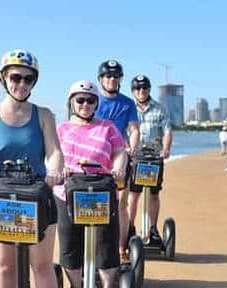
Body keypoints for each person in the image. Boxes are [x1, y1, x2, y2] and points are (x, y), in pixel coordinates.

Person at [0, 49, 64, 288]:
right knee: (4, 266)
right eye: (15, 77)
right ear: (3, 79)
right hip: (2, 195)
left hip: (37, 194)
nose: (21, 83)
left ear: (34, 81)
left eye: (28, 78)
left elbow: (54, 151)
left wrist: (54, 171)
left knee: (42, 266)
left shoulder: (43, 115)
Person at [55, 80, 127, 288]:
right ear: (71, 103)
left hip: (102, 191)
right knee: (70, 245)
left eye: (90, 101)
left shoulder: (107, 127)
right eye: (80, 100)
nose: (85, 104)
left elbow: (120, 151)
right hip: (67, 192)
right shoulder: (62, 129)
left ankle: (106, 284)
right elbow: (52, 155)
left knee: (106, 245)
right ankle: (76, 285)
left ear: (96, 103)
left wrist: (119, 168)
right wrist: (60, 170)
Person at [94, 59, 140, 262]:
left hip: (119, 158)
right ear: (101, 79)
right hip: (95, 160)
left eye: (115, 76)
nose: (112, 80)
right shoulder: (91, 100)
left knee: (121, 203)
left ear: (120, 79)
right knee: (94, 203)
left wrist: (133, 146)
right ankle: (94, 248)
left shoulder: (127, 103)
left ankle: (121, 249)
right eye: (107, 76)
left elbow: (133, 129)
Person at [127, 74, 172, 247]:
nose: (141, 91)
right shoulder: (130, 109)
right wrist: (126, 147)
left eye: (144, 88)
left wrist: (166, 149)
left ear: (149, 89)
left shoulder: (160, 109)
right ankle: (130, 227)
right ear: (133, 91)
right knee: (134, 194)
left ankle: (152, 229)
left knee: (154, 194)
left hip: (154, 157)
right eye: (138, 88)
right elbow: (124, 131)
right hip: (136, 157)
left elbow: (167, 131)